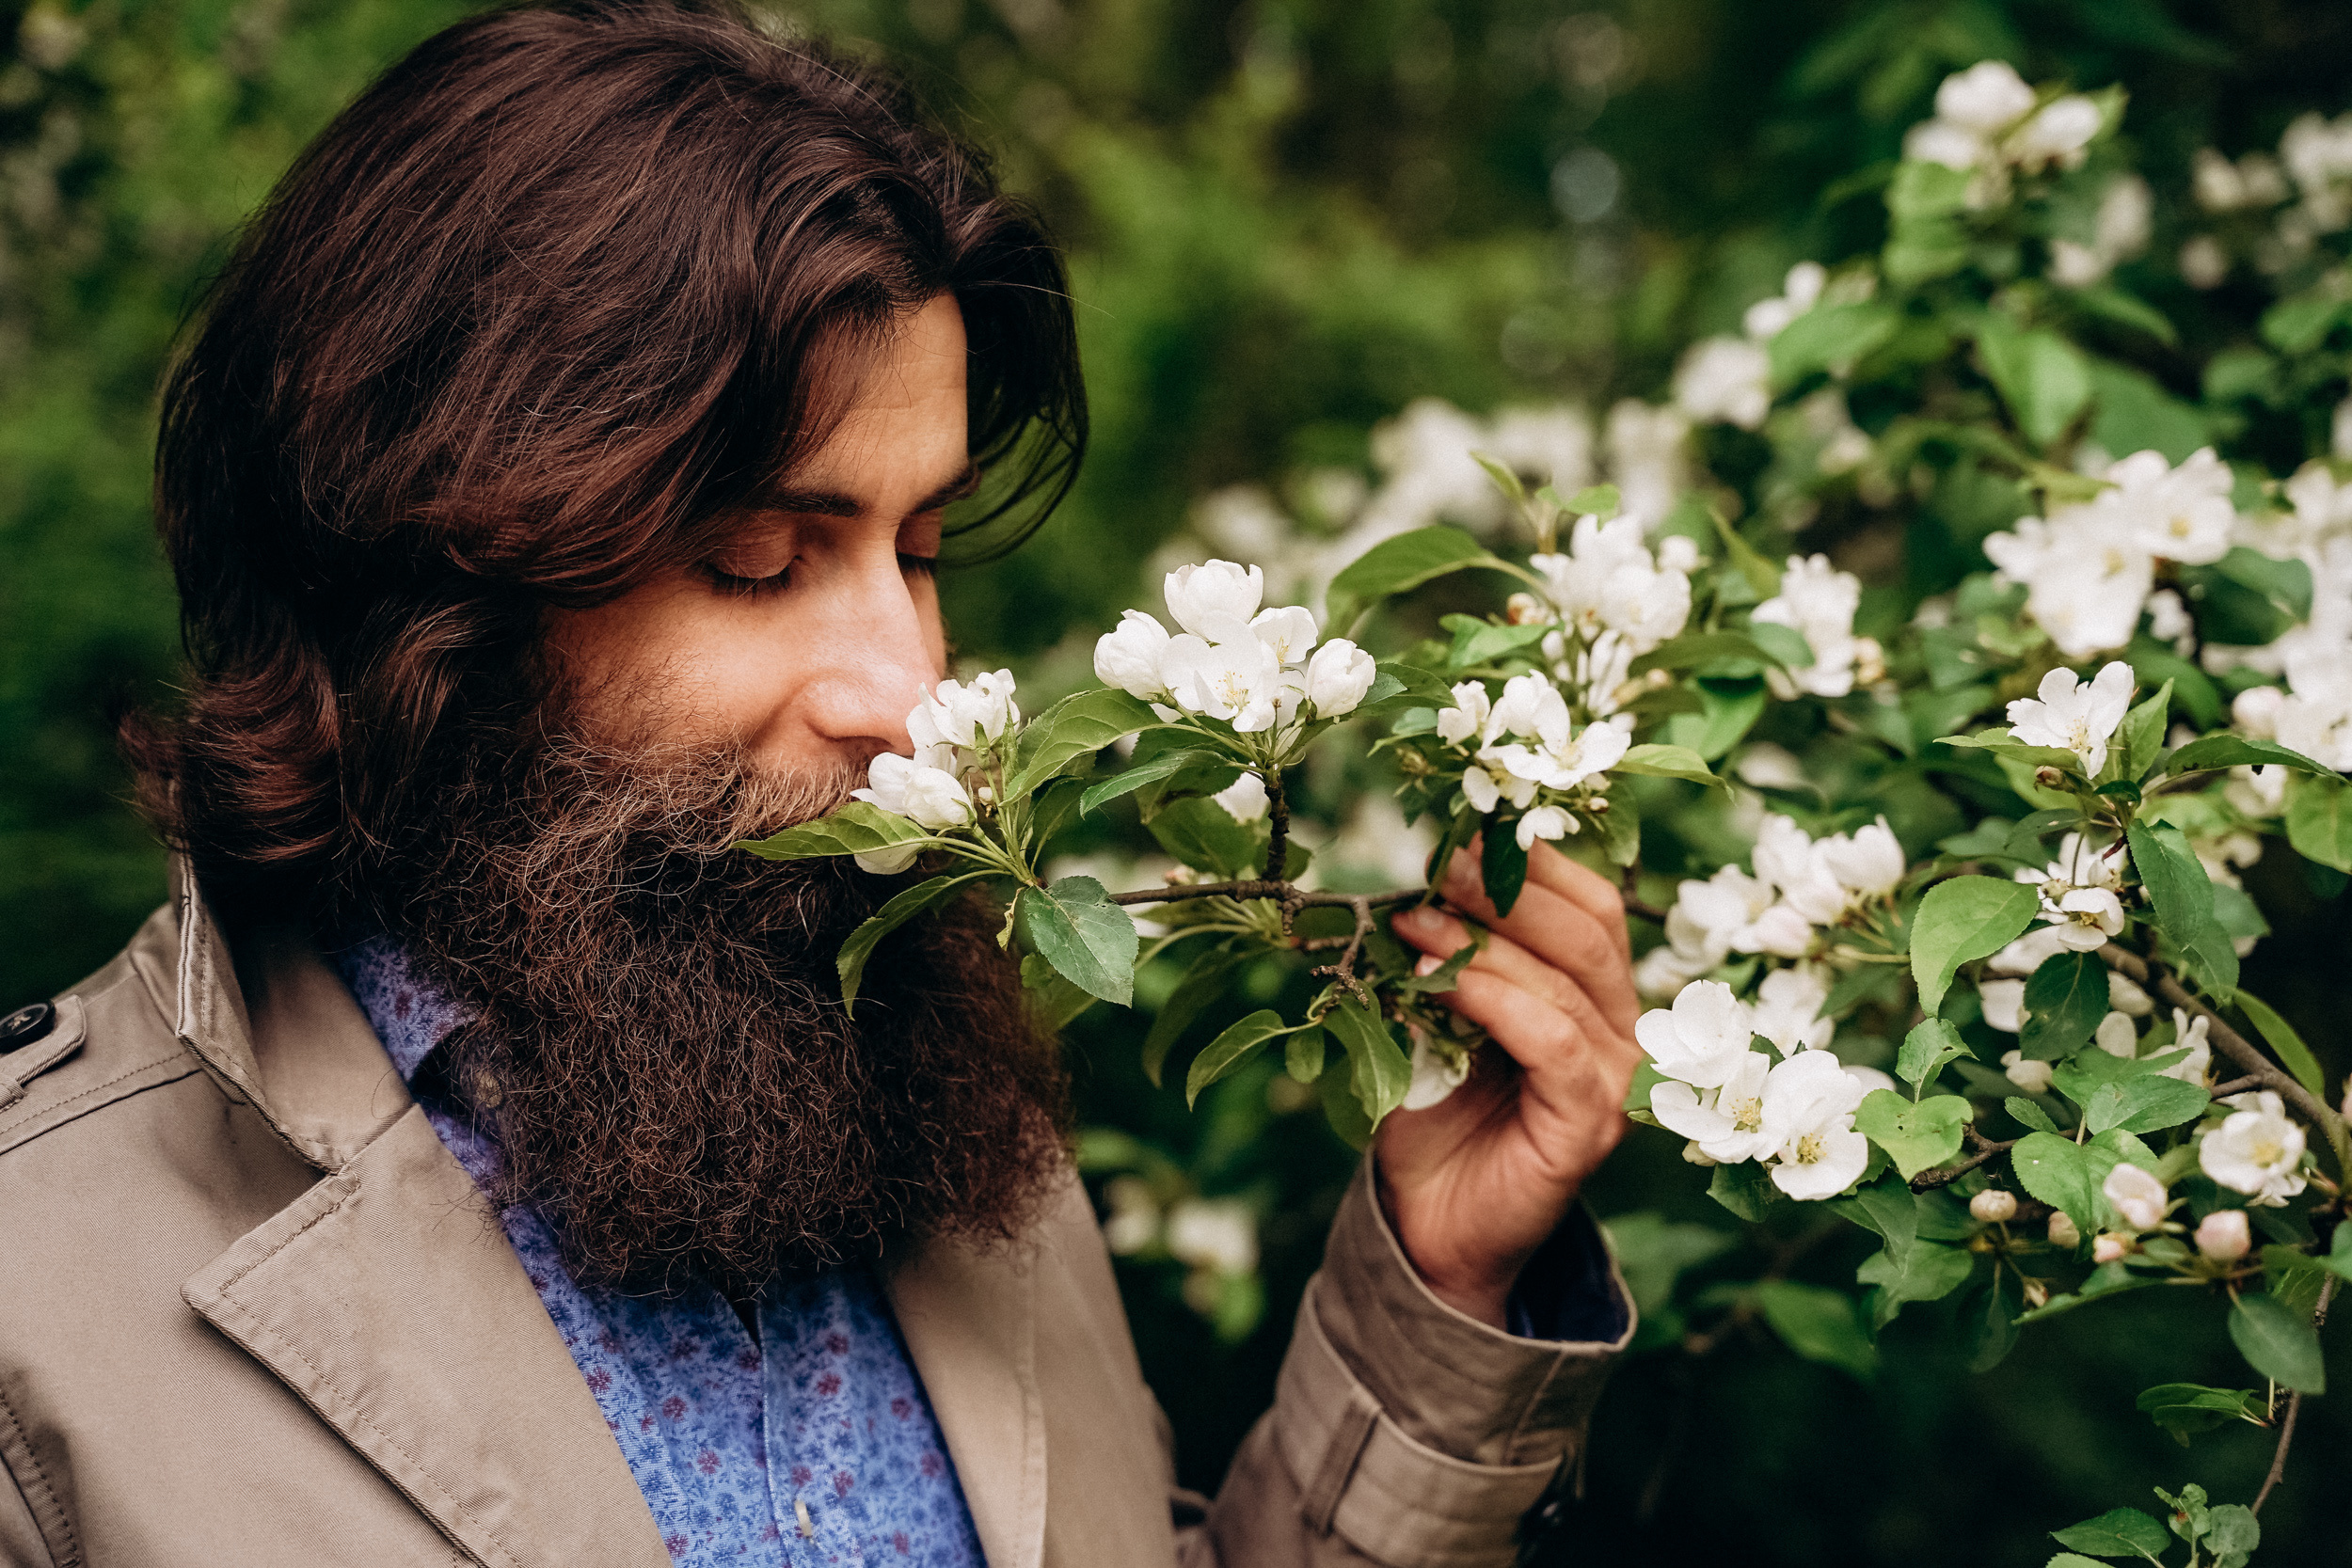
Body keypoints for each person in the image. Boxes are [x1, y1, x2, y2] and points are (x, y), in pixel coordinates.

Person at [0, 5, 1644, 1564]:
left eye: (919, 551)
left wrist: (1436, 1287)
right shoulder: (35, 1292)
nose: (912, 695)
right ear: (431, 603)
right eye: (759, 562)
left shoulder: (930, 1095)